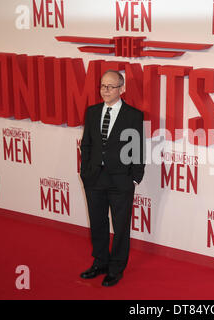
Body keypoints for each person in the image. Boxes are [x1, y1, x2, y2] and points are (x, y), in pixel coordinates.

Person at [79, 70, 145, 286]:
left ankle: (116, 268)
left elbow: (137, 147)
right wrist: (85, 172)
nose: (105, 90)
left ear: (122, 89)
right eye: (102, 86)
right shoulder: (92, 112)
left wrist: (135, 177)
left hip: (120, 180)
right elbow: (87, 144)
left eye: (110, 86)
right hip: (94, 178)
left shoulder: (133, 115)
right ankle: (100, 262)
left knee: (120, 227)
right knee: (97, 222)